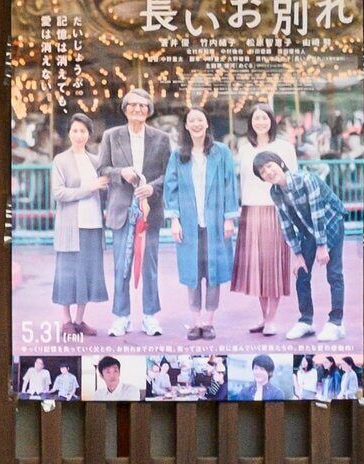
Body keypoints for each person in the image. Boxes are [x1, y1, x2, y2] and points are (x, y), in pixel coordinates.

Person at [164, 102, 241, 342]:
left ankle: (209, 322)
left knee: (214, 272)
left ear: (206, 123)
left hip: (216, 222)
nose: (196, 124)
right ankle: (195, 322)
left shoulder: (221, 152)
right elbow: (170, 187)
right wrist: (174, 220)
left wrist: (229, 218)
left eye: (200, 120)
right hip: (189, 223)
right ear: (186, 126)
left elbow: (230, 184)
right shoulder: (179, 155)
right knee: (193, 273)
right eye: (191, 121)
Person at [99, 89, 173, 336]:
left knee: (149, 266)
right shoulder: (111, 136)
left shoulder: (161, 139)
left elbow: (169, 174)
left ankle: (150, 316)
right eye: (133, 105)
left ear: (149, 110)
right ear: (125, 108)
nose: (138, 109)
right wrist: (121, 173)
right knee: (122, 265)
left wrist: (152, 188)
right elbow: (102, 168)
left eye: (143, 106)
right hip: (121, 211)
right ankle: (121, 316)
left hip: (149, 213)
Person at [257, 149, 352, 343]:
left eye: (269, 165)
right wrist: (298, 254)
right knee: (302, 274)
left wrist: (322, 246)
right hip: (309, 230)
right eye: (262, 171)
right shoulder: (275, 192)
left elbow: (318, 213)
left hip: (331, 221)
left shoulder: (305, 179)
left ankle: (336, 323)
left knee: (334, 273)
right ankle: (306, 321)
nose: (267, 171)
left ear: (280, 163)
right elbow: (285, 223)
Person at [231, 102, 296, 336]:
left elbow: (292, 181)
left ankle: (272, 318)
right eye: (256, 118)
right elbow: (242, 182)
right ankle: (263, 316)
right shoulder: (244, 147)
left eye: (264, 117)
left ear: (272, 120)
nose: (260, 122)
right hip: (250, 210)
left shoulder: (284, 147)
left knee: (273, 266)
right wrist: (239, 208)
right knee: (256, 267)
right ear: (251, 122)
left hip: (275, 209)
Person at [47, 115, 106, 339]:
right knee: (67, 273)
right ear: (69, 134)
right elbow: (58, 193)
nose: (79, 135)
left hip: (93, 224)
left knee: (87, 273)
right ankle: (66, 320)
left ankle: (80, 320)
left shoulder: (95, 160)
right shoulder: (60, 161)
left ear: (89, 134)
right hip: (70, 227)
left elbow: (106, 185)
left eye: (83, 131)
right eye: (75, 131)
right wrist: (89, 189)